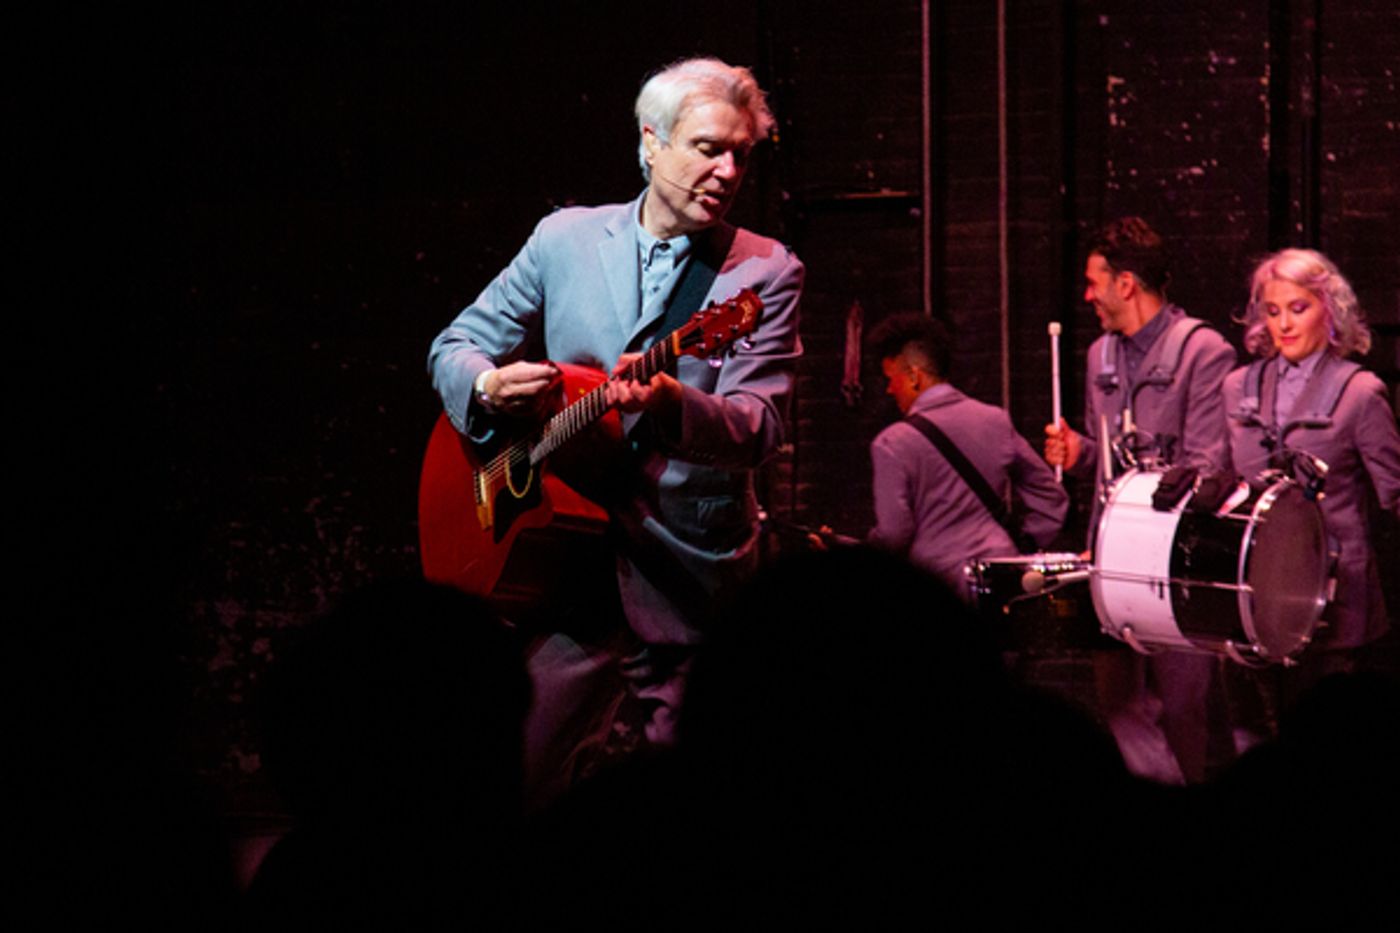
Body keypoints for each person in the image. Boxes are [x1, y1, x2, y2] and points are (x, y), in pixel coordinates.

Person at [428, 57, 803, 806]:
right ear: (650, 143)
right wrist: (488, 384)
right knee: (517, 779)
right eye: (706, 147)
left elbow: (760, 427)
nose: (728, 170)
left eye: (742, 153)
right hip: (568, 557)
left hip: (687, 569)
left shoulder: (763, 272)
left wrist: (671, 403)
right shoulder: (563, 239)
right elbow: (454, 345)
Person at [1043, 217, 1236, 784]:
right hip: (1111, 559)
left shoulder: (1204, 351)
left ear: (1126, 283)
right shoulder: (1100, 355)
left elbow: (1207, 463)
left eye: (1094, 281)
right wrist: (1076, 452)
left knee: (1184, 713)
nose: (1087, 295)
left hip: (1177, 565)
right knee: (1120, 712)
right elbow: (1101, 458)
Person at [1223, 249, 1400, 701]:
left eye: (1298, 309)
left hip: (1335, 602)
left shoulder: (1360, 394)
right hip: (1256, 597)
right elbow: (1218, 479)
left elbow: (1394, 494)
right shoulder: (1237, 388)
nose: (1284, 325)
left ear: (1330, 310)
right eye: (1274, 311)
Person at [866, 313, 1067, 599]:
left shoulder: (892, 443)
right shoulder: (995, 420)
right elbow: (1051, 498)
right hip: (1000, 581)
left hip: (936, 586)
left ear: (914, 377)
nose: (889, 389)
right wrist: (1024, 543)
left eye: (891, 378)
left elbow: (895, 533)